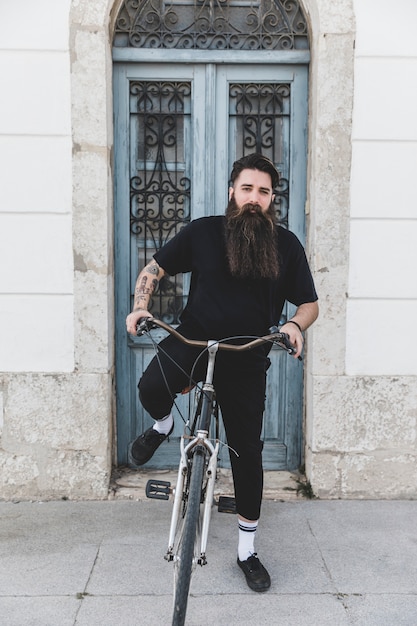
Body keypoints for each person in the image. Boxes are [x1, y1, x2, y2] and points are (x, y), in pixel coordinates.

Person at [126, 153, 318, 592]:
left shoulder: (286, 246)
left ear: (273, 198)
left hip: (247, 354)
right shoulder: (204, 232)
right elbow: (155, 268)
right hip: (194, 339)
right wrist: (140, 306)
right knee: (151, 386)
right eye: (247, 188)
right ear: (232, 191)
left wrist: (293, 324)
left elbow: (310, 303)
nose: (255, 198)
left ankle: (246, 552)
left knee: (247, 454)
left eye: (264, 191)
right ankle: (163, 424)